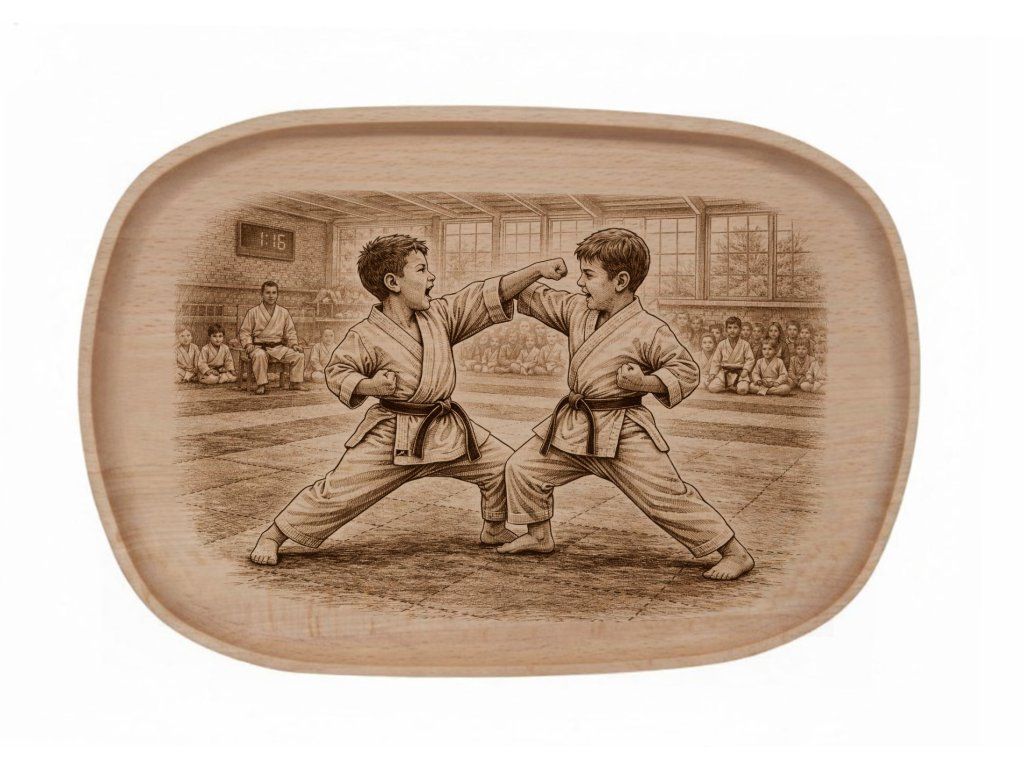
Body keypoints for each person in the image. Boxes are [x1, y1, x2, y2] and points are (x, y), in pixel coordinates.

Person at [250, 234, 569, 566]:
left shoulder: (440, 316)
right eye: (421, 270)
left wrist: (537, 270)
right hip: (392, 435)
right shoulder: (365, 334)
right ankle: (273, 535)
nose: (432, 278)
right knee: (339, 492)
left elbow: (487, 294)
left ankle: (494, 526)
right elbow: (337, 371)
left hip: (446, 427)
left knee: (503, 465)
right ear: (393, 282)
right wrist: (370, 385)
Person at [498, 228, 754, 580]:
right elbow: (525, 293)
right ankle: (539, 534)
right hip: (576, 424)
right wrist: (538, 270)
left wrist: (645, 383)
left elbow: (686, 371)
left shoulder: (649, 328)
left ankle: (735, 553)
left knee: (665, 496)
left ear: (620, 281)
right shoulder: (577, 310)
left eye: (589, 276)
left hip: (623, 431)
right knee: (523, 467)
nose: (580, 283)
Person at [238, 280, 308, 395]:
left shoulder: (283, 312)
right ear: (262, 294)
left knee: (298, 355)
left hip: (278, 347)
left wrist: (294, 344)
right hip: (259, 347)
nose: (271, 296)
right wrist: (248, 344)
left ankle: (295, 383)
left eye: (274, 293)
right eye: (268, 292)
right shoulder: (253, 312)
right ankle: (261, 384)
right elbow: (244, 331)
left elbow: (290, 331)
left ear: (277, 294)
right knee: (259, 355)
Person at [707, 316, 755, 395]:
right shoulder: (722, 344)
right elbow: (716, 360)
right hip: (724, 373)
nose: (732, 330)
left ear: (740, 330)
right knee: (712, 388)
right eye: (729, 327)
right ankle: (730, 387)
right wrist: (712, 374)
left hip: (740, 373)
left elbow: (750, 359)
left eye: (735, 327)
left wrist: (746, 370)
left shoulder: (745, 344)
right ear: (726, 329)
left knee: (742, 390)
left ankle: (733, 387)